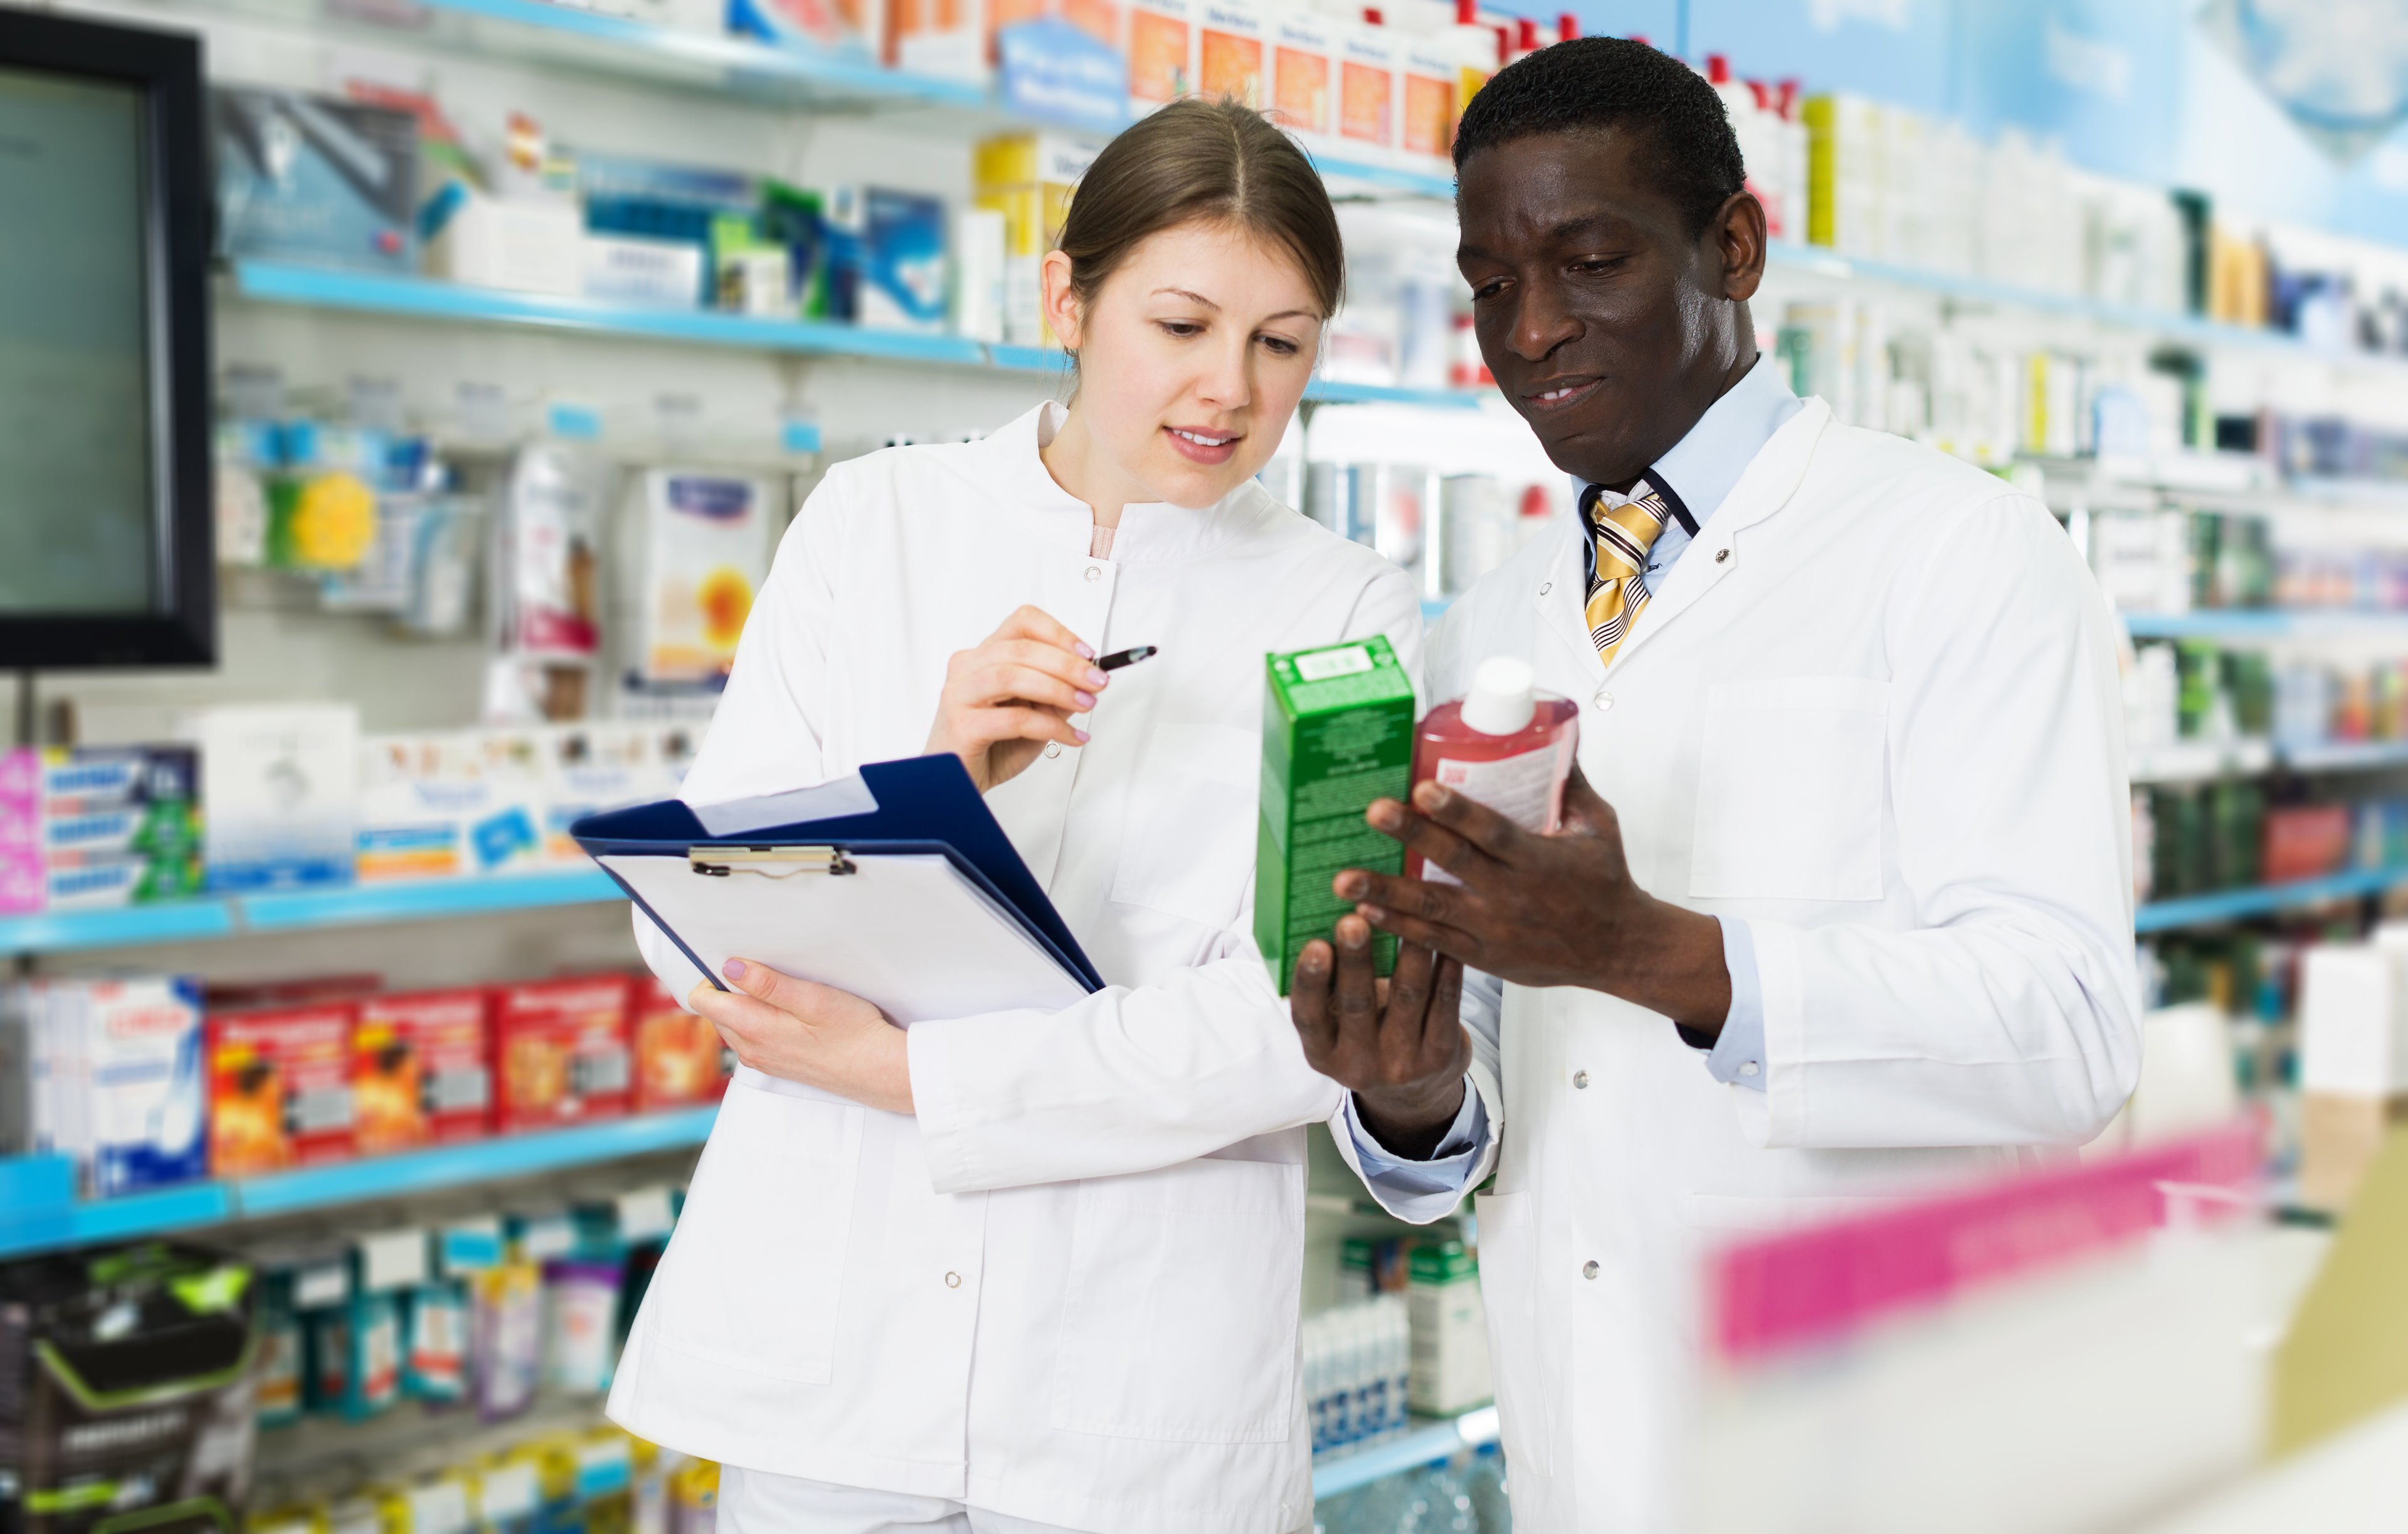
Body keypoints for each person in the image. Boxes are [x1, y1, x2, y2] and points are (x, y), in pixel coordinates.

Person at [1289, 38, 2142, 1533]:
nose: (1531, 330)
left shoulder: (1961, 553)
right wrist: (1412, 1093)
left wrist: (1653, 953)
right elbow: (1475, 1113)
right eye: (1492, 284)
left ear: (1733, 247)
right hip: (1580, 1454)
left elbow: (2069, 1032)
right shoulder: (1483, 626)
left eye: (1591, 262)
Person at [606, 98, 1448, 1534]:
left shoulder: (1343, 608)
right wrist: (929, 785)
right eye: (1180, 325)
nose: (1229, 389)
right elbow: (698, 935)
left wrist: (910, 1075)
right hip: (835, 1376)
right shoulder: (873, 522)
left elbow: (1299, 1025)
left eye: (1281, 342)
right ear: (1067, 300)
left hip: (1136, 1399)